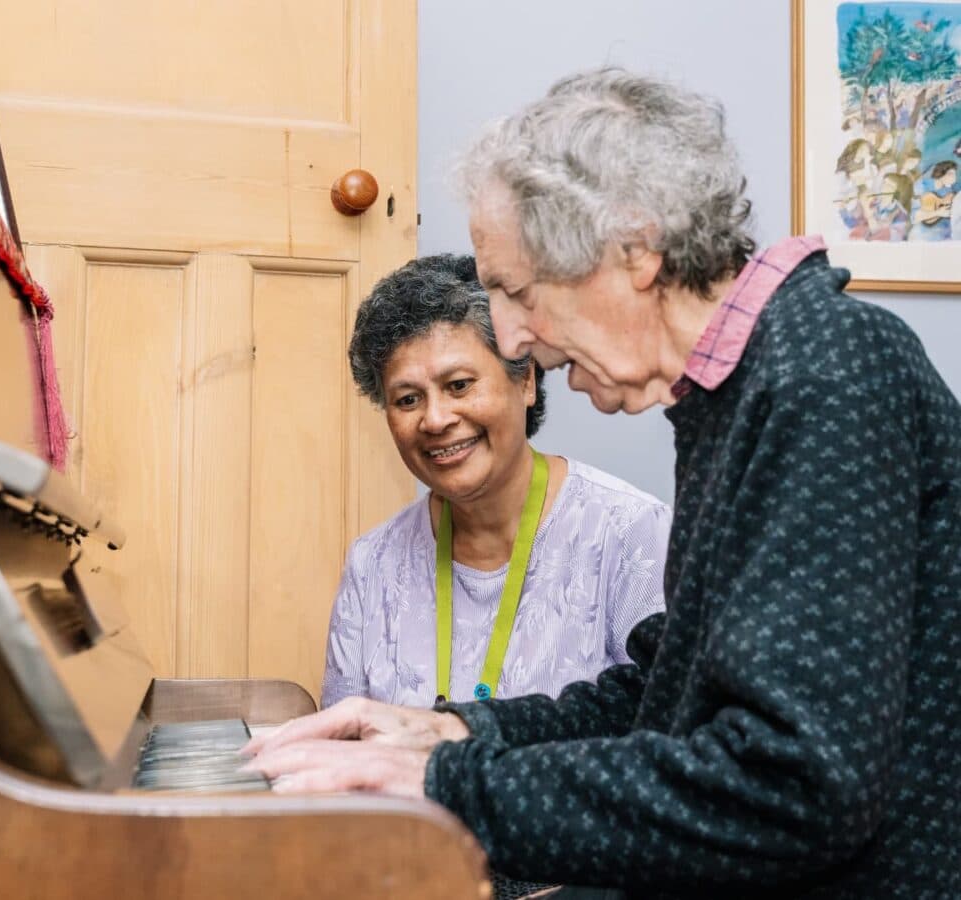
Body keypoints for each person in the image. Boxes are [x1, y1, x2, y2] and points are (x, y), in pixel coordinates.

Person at [244, 68, 961, 898]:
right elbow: (665, 693)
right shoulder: (741, 392)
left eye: (515, 292)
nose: (511, 339)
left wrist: (449, 788)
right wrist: (450, 733)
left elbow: (795, 784)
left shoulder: (823, 374)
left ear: (637, 248)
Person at [321, 253, 669, 709]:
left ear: (525, 381)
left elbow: (666, 732)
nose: (436, 419)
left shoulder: (633, 534)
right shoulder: (373, 566)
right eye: (407, 399)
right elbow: (343, 750)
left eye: (459, 385)